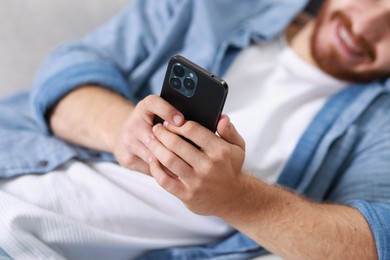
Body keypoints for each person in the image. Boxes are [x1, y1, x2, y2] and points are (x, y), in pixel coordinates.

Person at [0, 0, 389, 259]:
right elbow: (66, 71)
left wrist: (236, 198)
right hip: (17, 178)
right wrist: (123, 131)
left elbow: (372, 244)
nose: (366, 27)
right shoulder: (213, 7)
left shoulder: (380, 122)